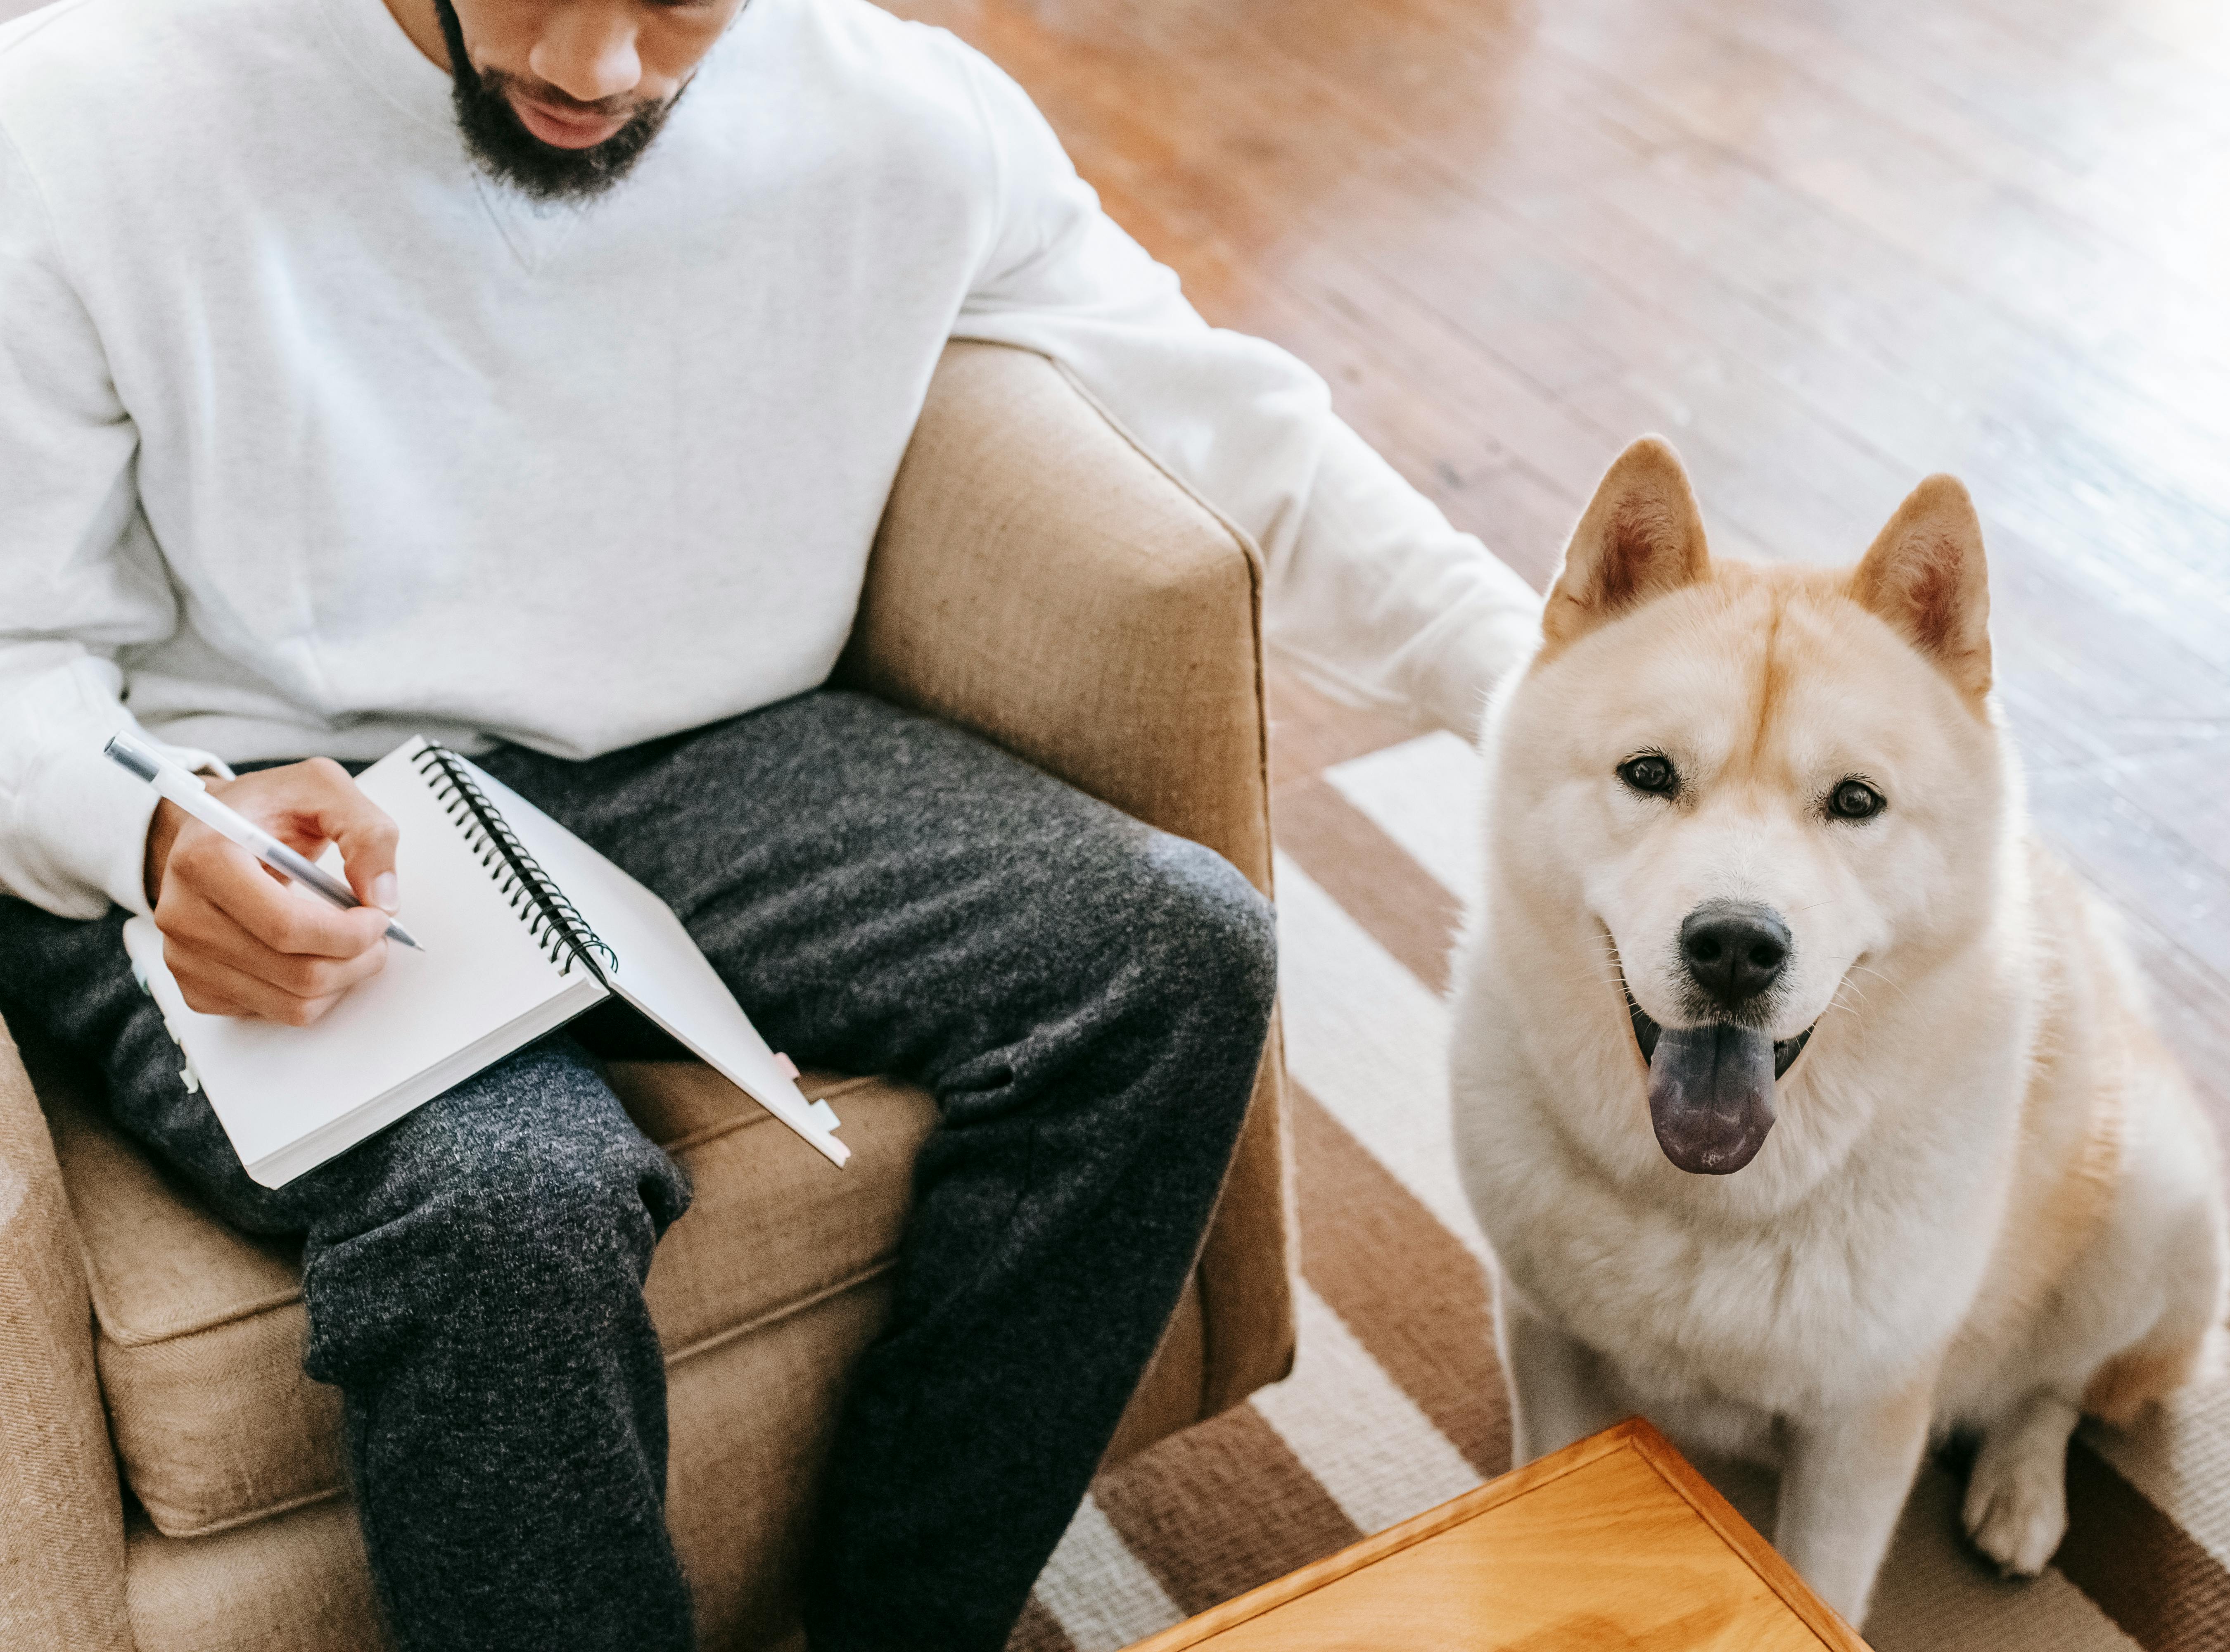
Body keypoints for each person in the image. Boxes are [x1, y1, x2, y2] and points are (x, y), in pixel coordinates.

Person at [0, 0, 1539, 1645]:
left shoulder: (910, 123)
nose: (596, 67)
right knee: (510, 1205)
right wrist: (155, 829)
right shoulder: (91, 112)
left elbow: (1244, 436)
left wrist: (1560, 697)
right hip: (249, 802)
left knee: (1178, 951)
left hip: (698, 759)